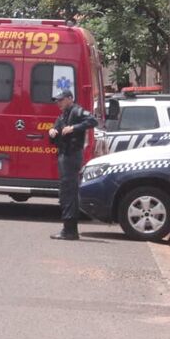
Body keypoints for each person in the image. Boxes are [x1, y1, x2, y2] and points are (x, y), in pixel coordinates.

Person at [47, 89, 98, 241]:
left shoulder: (77, 110)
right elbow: (56, 129)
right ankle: (68, 229)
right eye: (57, 100)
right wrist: (52, 131)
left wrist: (74, 128)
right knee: (65, 192)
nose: (58, 103)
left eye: (61, 100)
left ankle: (70, 230)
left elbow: (93, 120)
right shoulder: (62, 115)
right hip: (64, 154)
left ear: (70, 98)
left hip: (72, 155)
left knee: (69, 192)